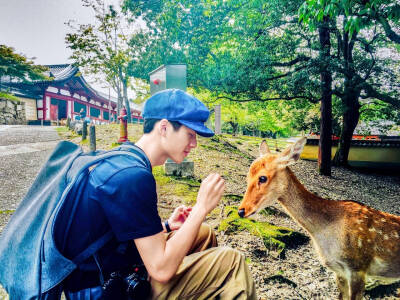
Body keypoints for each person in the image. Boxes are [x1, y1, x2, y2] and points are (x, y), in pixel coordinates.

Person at [55, 89, 256, 299]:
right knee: (231, 262)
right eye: (190, 134)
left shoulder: (125, 158)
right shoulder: (133, 177)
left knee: (202, 233)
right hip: (104, 290)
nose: (194, 144)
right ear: (164, 128)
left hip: (111, 270)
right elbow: (160, 270)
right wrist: (201, 208)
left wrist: (167, 226)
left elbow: (116, 230)